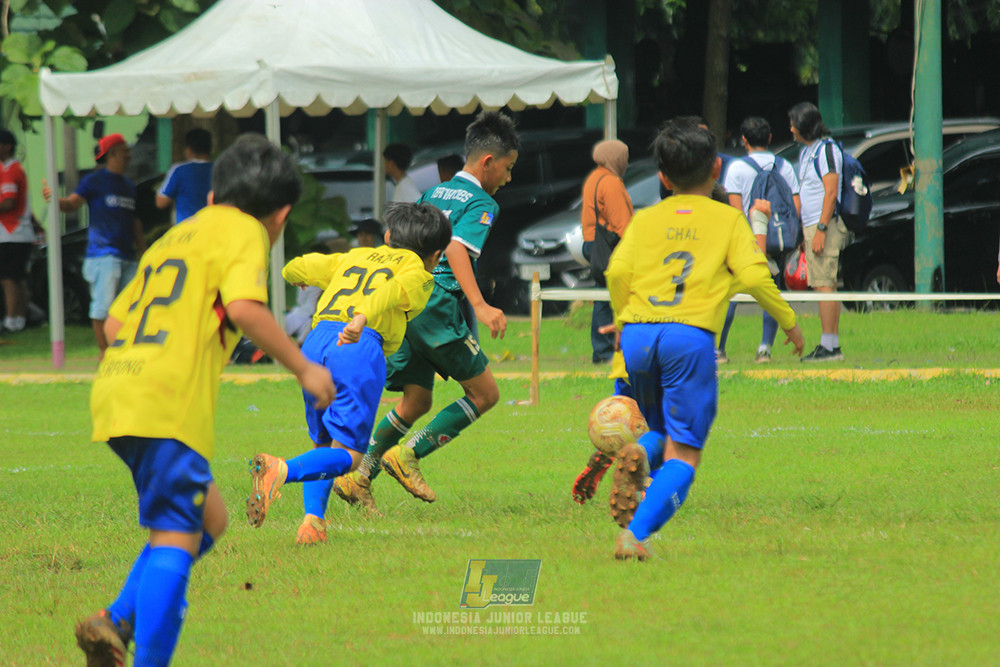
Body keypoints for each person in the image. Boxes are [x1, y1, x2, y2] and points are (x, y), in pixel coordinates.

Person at [74, 134, 336, 667]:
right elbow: (244, 308)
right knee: (177, 533)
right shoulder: (247, 230)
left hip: (119, 387)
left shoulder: (177, 235)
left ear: (214, 195)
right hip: (164, 401)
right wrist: (306, 367)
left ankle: (116, 620)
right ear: (281, 215)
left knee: (210, 519)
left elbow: (117, 323)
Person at [604, 118, 804, 560]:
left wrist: (624, 321)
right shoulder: (728, 219)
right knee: (685, 454)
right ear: (716, 168)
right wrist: (789, 323)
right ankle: (635, 535)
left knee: (658, 429)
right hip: (687, 338)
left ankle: (641, 453)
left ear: (662, 177)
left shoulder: (646, 218)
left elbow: (616, 272)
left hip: (638, 334)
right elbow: (756, 275)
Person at [330, 110, 519, 513]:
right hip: (436, 302)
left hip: (407, 303)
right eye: (507, 168)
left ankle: (357, 476)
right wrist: (481, 305)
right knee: (485, 393)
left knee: (416, 400)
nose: (508, 178)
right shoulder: (482, 202)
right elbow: (456, 248)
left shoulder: (433, 193)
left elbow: (392, 236)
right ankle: (408, 453)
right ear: (488, 161)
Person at [245, 202, 451, 541]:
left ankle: (313, 523)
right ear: (437, 255)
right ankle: (279, 470)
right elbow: (392, 291)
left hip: (316, 341)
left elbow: (298, 266)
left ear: (388, 236)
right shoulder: (419, 271)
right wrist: (362, 317)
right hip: (356, 345)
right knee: (350, 456)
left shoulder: (356, 256)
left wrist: (295, 276)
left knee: (322, 441)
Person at [43, 133, 147, 356]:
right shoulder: (94, 181)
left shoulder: (129, 185)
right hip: (103, 256)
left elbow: (135, 220)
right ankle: (105, 354)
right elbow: (72, 205)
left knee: (131, 306)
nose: (129, 155)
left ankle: (123, 352)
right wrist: (55, 200)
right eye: (125, 150)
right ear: (113, 153)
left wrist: (143, 251)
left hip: (128, 257)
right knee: (103, 307)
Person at [719, 116, 802, 363]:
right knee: (771, 292)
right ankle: (765, 348)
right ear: (769, 138)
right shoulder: (785, 166)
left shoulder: (736, 168)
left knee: (731, 295)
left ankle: (719, 350)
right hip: (777, 240)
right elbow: (795, 207)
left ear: (744, 140)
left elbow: (735, 210)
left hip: (747, 241)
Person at [789, 102, 848, 362]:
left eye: (794, 124)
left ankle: (829, 346)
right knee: (826, 285)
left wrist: (822, 228)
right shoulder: (807, 152)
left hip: (823, 225)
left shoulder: (827, 150)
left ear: (805, 127)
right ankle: (831, 344)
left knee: (823, 285)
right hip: (812, 226)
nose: (791, 129)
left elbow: (831, 192)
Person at [581, 139, 633, 364]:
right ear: (616, 159)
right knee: (608, 296)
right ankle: (605, 351)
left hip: (592, 243)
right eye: (624, 158)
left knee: (602, 294)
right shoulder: (611, 182)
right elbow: (622, 223)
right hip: (607, 246)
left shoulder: (595, 177)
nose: (626, 162)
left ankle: (603, 350)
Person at [0, 129, 39, 333]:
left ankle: (11, 320)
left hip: (11, 231)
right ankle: (21, 319)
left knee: (8, 278)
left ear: (7, 146)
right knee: (18, 277)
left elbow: (9, 202)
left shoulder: (10, 170)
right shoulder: (13, 168)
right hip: (19, 232)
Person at [156, 128, 213, 224]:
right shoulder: (219, 169)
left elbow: (161, 203)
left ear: (188, 149)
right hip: (212, 227)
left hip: (186, 229)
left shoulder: (179, 170)